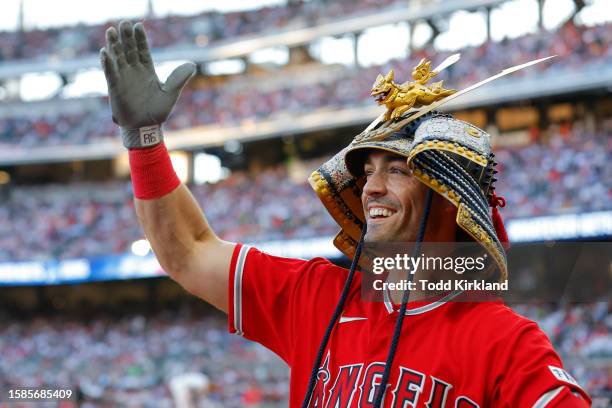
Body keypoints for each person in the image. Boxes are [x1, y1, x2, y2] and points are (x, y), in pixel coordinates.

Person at [99, 21, 592, 407]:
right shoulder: (315, 296)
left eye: (397, 170)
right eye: (367, 171)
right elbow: (187, 251)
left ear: (446, 198)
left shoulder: (503, 340)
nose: (371, 188)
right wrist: (144, 140)